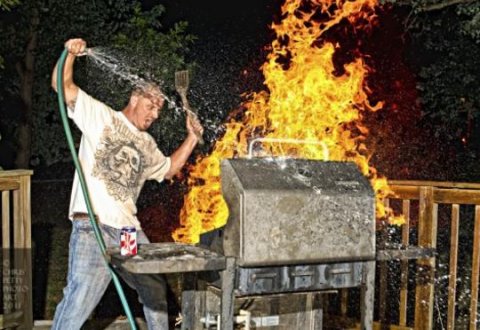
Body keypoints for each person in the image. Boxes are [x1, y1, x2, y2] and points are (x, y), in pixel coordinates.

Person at [50, 38, 204, 330]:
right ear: (135, 98)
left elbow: (169, 168)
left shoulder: (147, 144)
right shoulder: (101, 117)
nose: (154, 114)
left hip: (128, 233)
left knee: (154, 289)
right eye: (151, 106)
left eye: (158, 110)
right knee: (80, 296)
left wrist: (192, 139)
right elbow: (63, 86)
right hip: (92, 226)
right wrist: (70, 55)